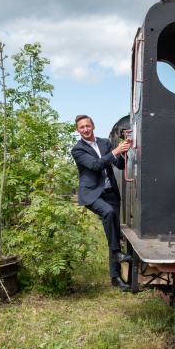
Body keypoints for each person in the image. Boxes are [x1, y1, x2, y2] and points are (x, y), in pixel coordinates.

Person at [71, 114, 135, 292]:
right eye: (82, 127)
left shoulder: (105, 143)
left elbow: (119, 165)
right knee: (108, 212)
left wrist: (125, 150)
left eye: (87, 126)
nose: (85, 129)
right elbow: (96, 165)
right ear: (78, 130)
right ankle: (116, 253)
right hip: (92, 194)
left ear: (93, 126)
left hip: (110, 193)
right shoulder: (78, 150)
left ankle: (116, 278)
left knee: (113, 232)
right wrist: (115, 151)